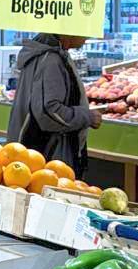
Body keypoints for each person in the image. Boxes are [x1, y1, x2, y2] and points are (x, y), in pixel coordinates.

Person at [6, 33, 101, 178]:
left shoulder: (50, 54)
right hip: (48, 155)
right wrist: (86, 117)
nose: (88, 35)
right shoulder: (51, 60)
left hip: (39, 155)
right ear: (66, 32)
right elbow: (49, 111)